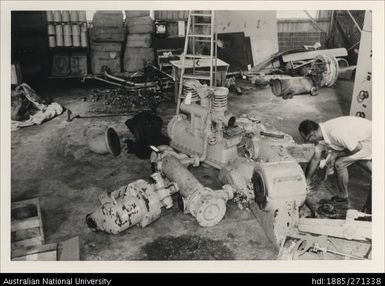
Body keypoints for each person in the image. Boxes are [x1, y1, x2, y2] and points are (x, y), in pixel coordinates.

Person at [298, 116, 372, 214]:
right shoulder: (321, 135)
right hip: (361, 137)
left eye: (307, 140)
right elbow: (316, 159)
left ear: (313, 134)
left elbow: (357, 148)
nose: (308, 142)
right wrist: (308, 179)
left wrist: (336, 154)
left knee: (340, 163)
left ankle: (343, 199)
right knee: (357, 160)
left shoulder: (334, 132)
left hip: (371, 138)